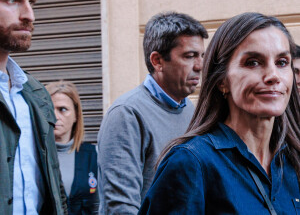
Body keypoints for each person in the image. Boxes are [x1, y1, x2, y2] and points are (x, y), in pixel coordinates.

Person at [139, 12, 300, 214]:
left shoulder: (293, 160)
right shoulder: (190, 164)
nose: (273, 76)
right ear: (222, 80)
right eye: (253, 62)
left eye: (282, 62)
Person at [98, 11, 208, 214]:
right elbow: (121, 206)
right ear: (157, 61)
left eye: (201, 56)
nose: (200, 66)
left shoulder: (191, 112)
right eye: (189, 56)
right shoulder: (127, 114)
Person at [0, 0, 67, 214]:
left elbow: (53, 184)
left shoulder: (35, 94)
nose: (29, 15)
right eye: (13, 0)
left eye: (32, 2)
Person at [46, 80, 100, 214]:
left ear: (76, 115)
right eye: (49, 109)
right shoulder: (32, 156)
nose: (55, 116)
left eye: (62, 109)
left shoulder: (95, 155)